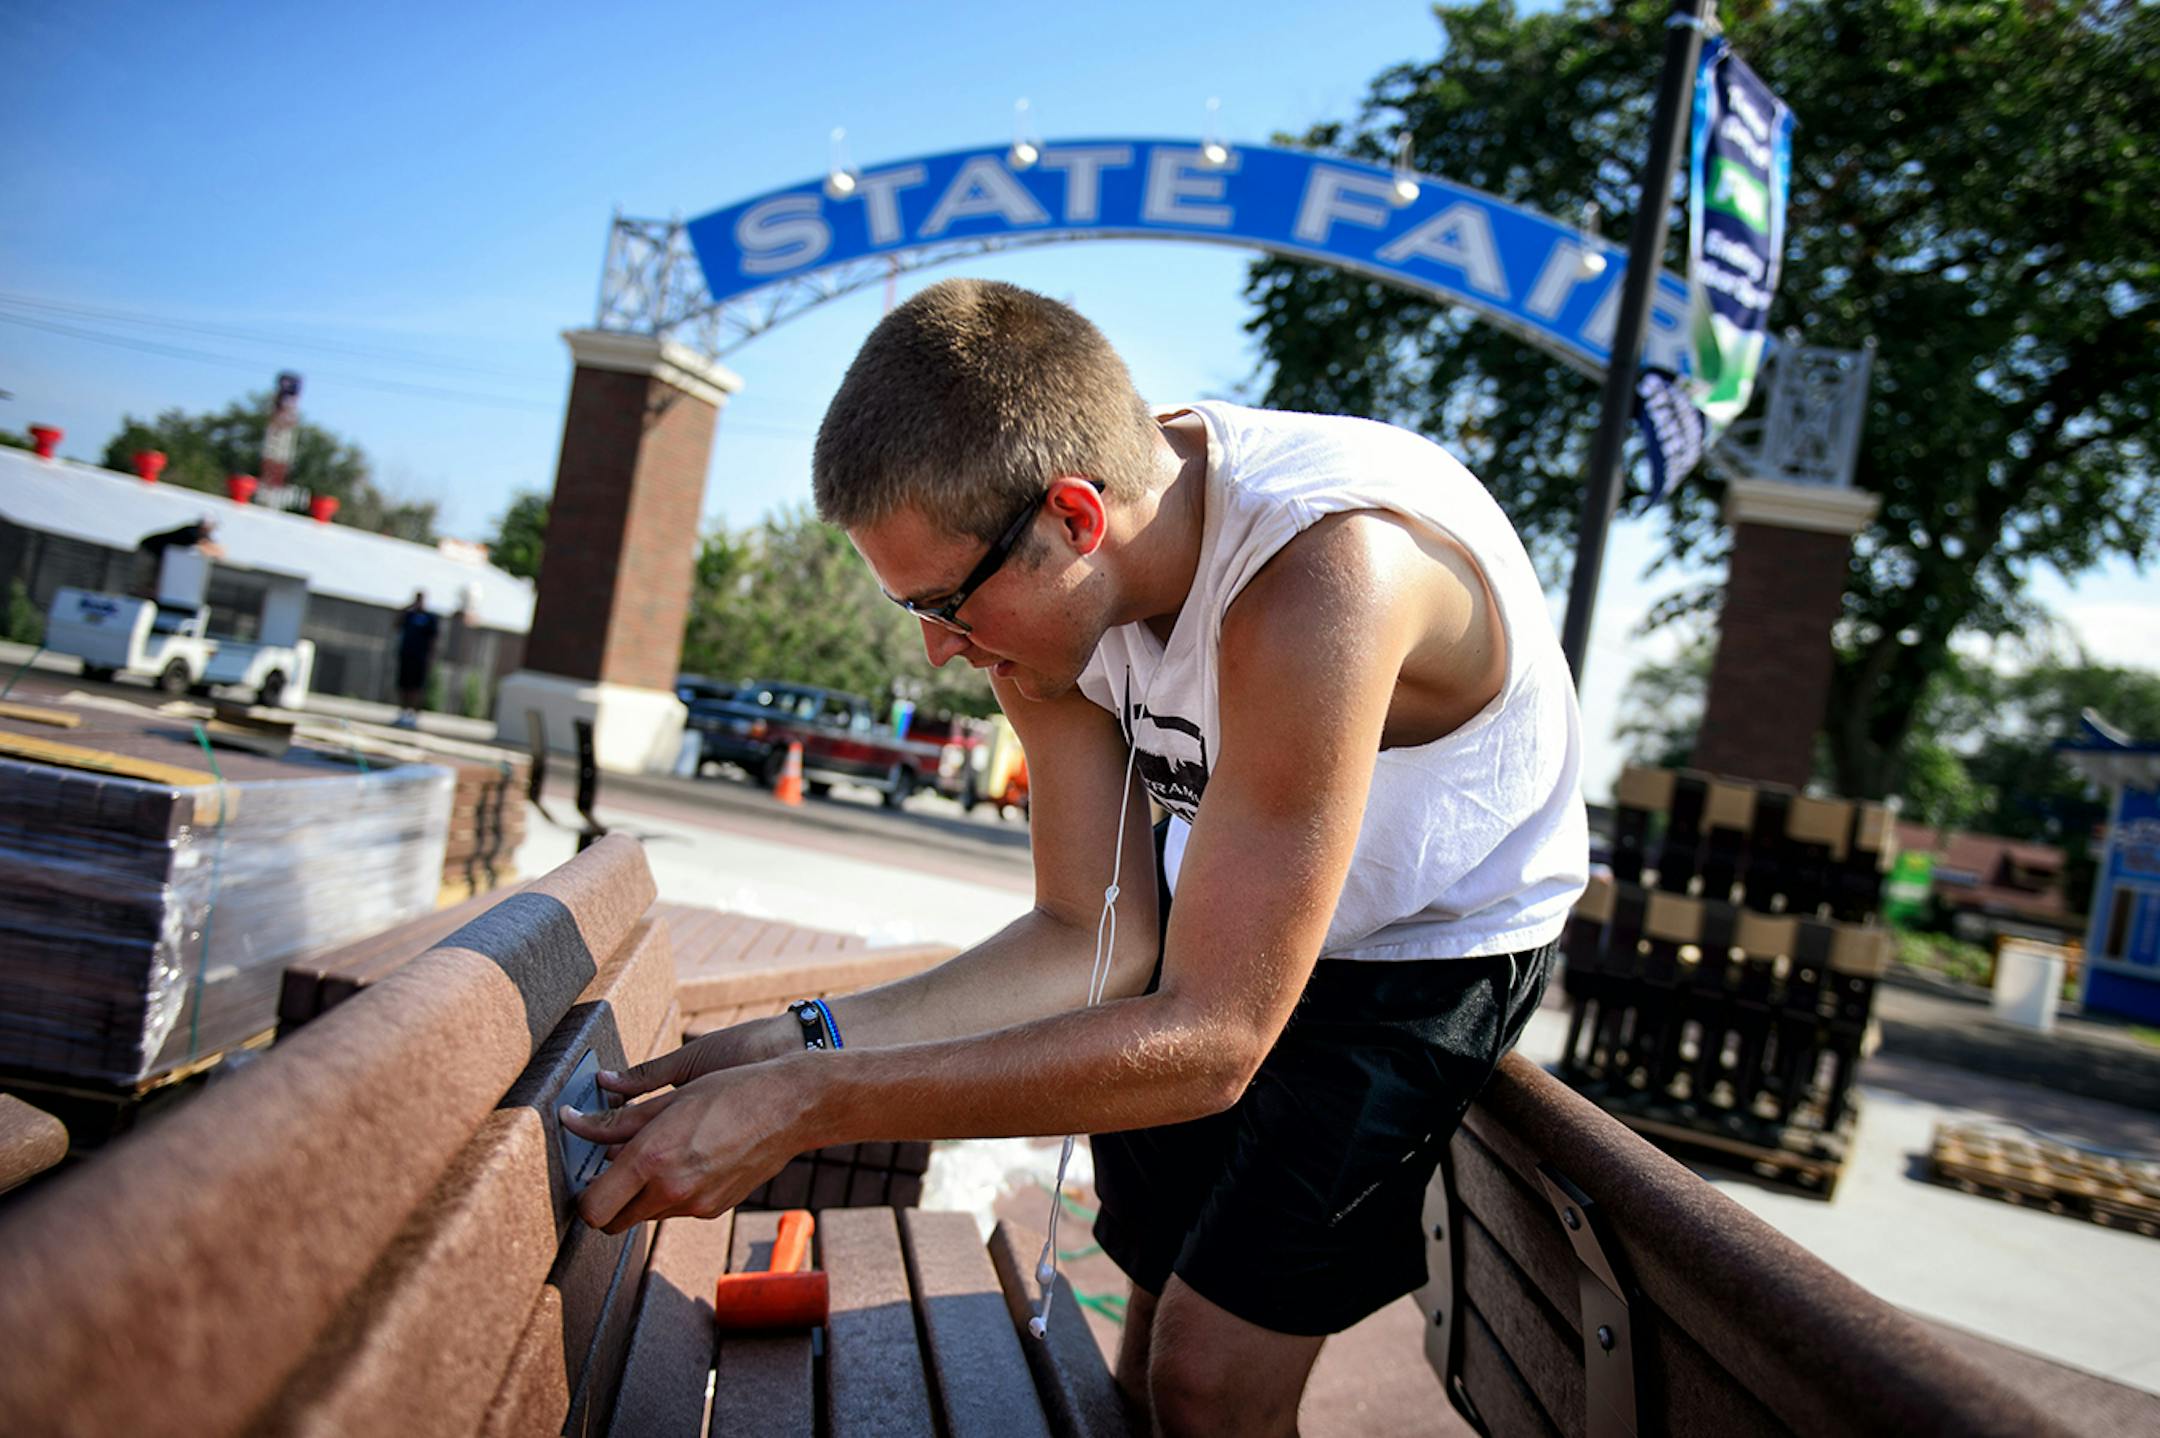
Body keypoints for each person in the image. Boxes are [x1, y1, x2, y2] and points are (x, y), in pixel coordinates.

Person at [560, 279, 1586, 1436]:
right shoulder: (1048, 609)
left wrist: (810, 1103)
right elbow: (1083, 939)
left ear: (1075, 519)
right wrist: (785, 1043)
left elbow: (1212, 1043)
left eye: (945, 602)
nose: (942, 652)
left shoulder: (1323, 573)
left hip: (1425, 936)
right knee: (1146, 1355)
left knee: (1206, 1384)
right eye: (914, 611)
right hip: (1235, 911)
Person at [392, 591, 438, 728]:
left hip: (420, 658)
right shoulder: (409, 615)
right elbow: (395, 624)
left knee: (416, 688)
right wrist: (408, 606)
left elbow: (433, 639)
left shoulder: (430, 617)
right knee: (403, 686)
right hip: (406, 655)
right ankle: (402, 713)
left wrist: (431, 658)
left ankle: (412, 716)